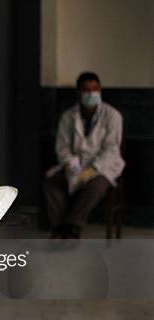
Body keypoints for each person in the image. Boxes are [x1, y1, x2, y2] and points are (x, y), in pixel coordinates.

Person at [44, 72, 125, 238]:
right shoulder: (68, 116)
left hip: (103, 166)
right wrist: (70, 164)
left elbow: (111, 149)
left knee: (95, 186)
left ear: (100, 90)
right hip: (75, 163)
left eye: (95, 89)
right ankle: (58, 227)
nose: (91, 94)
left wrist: (92, 169)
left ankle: (72, 226)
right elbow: (63, 147)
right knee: (51, 182)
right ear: (79, 92)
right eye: (86, 90)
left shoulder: (112, 116)